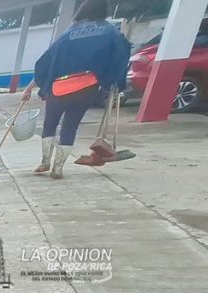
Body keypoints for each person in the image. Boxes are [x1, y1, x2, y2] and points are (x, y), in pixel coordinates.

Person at [23, 0, 130, 179]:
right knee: (70, 126)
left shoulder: (68, 34)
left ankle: (45, 161)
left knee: (50, 124)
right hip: (87, 86)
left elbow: (46, 63)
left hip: (59, 87)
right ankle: (58, 168)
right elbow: (121, 54)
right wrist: (114, 81)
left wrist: (31, 87)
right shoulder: (110, 32)